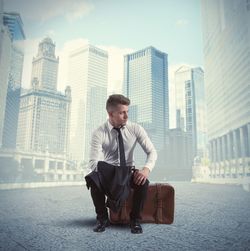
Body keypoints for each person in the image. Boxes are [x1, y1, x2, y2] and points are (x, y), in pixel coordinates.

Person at [85, 94, 157, 234]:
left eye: (127, 112)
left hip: (128, 174)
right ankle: (102, 219)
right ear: (110, 114)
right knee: (93, 178)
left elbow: (152, 151)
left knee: (143, 182)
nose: (126, 116)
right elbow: (93, 163)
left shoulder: (136, 129)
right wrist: (112, 173)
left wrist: (146, 169)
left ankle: (135, 220)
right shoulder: (99, 133)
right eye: (122, 112)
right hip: (109, 175)